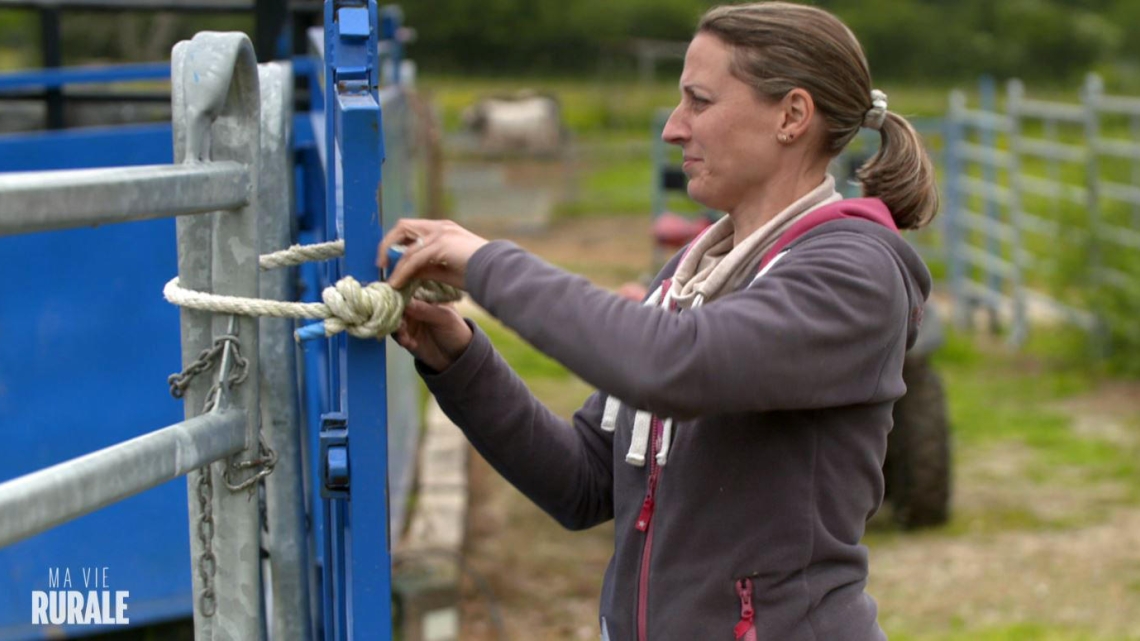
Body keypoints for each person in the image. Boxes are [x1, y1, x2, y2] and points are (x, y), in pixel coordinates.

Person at [378, 2, 937, 639]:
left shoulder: (852, 272)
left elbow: (671, 364)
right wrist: (458, 358)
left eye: (699, 101)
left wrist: (487, 263)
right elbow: (583, 481)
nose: (674, 128)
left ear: (792, 116)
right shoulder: (690, 276)